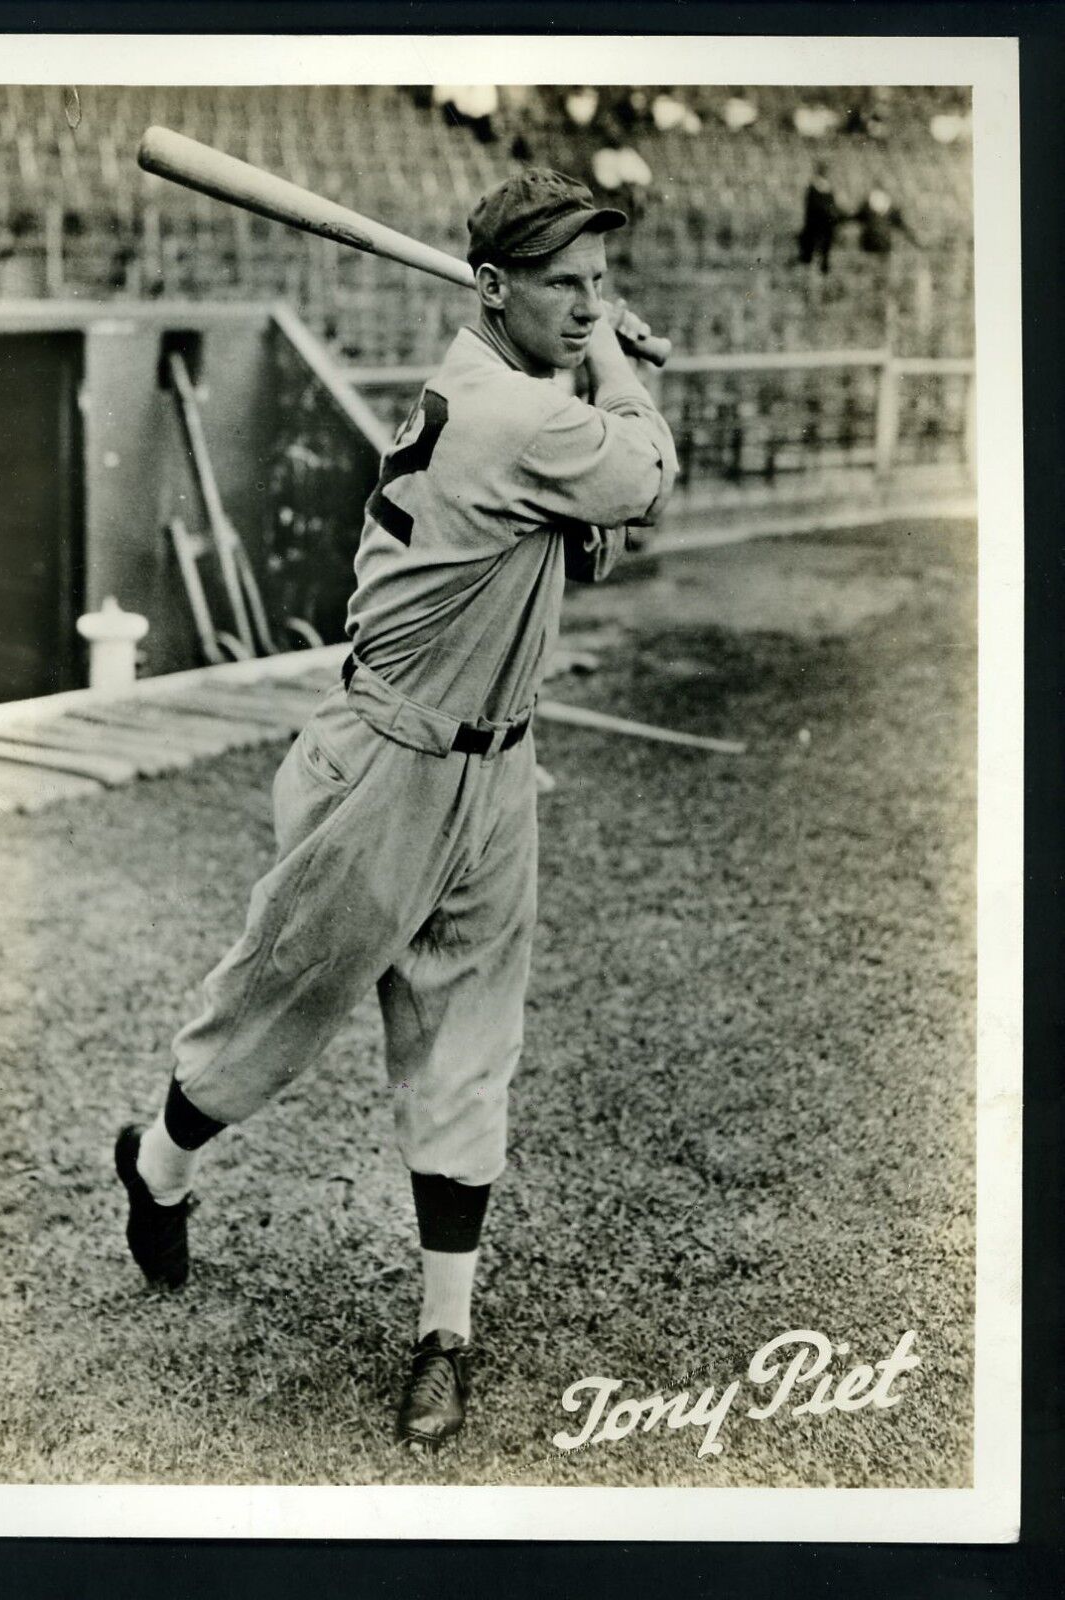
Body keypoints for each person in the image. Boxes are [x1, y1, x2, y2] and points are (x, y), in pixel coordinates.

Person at [115, 168, 678, 1451]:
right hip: (381, 762)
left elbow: (596, 529)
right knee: (268, 1019)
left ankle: (444, 1334)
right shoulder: (505, 417)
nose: (590, 306)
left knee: (468, 1051)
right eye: (564, 285)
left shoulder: (522, 396)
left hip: (493, 771)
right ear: (489, 289)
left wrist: (587, 351)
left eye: (601, 284)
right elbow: (646, 476)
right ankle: (155, 1170)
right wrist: (625, 369)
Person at [797, 162, 841, 274]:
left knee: (826, 247)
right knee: (810, 246)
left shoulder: (828, 187)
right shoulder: (813, 187)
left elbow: (832, 205)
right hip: (815, 222)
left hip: (826, 223)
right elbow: (811, 207)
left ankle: (823, 268)